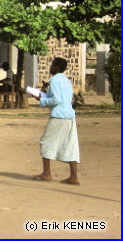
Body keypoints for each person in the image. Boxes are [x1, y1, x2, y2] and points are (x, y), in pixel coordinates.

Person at [31, 57, 80, 185]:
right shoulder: (66, 81)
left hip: (59, 116)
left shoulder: (54, 81)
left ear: (57, 67)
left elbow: (56, 100)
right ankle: (73, 176)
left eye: (52, 65)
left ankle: (46, 173)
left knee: (45, 141)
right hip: (69, 115)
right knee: (70, 144)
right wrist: (43, 95)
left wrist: (41, 100)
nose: (50, 67)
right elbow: (62, 98)